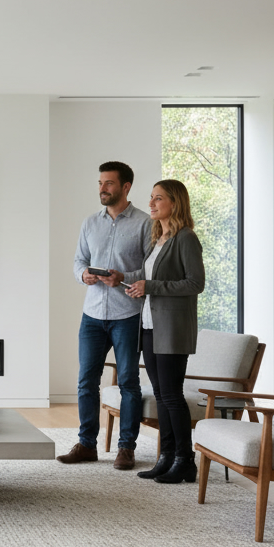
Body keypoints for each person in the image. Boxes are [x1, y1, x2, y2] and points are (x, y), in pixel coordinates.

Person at [60, 161, 153, 470]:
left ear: (126, 187)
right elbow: (78, 260)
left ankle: (126, 448)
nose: (102, 188)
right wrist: (83, 273)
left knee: (128, 381)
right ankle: (87, 444)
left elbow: (151, 269)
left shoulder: (144, 223)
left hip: (127, 314)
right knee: (86, 381)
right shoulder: (90, 223)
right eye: (100, 182)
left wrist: (123, 276)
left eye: (109, 183)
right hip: (93, 314)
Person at [125, 179, 205, 484]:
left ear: (175, 202)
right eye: (151, 198)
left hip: (172, 329)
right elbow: (148, 276)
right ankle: (167, 456)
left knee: (172, 395)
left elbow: (195, 283)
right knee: (161, 394)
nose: (151, 204)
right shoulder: (158, 238)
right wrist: (125, 278)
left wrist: (152, 286)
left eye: (159, 198)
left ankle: (186, 460)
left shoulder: (186, 238)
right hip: (148, 326)